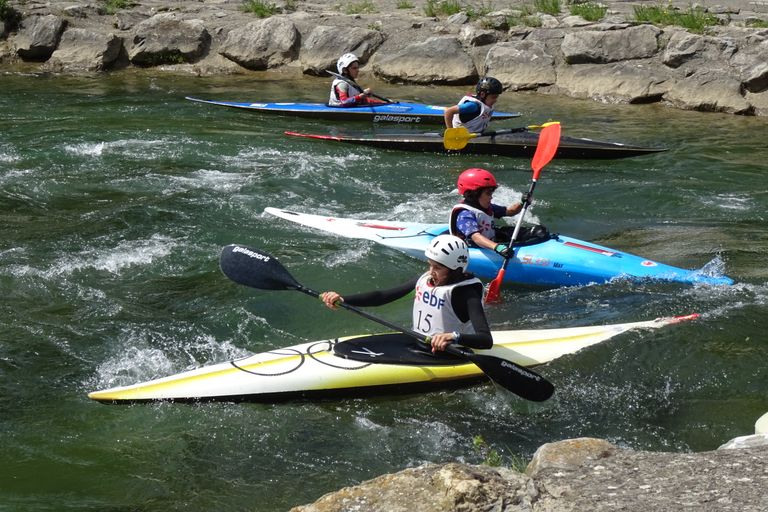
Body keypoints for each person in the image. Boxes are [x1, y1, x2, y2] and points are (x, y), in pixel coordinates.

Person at [320, 234, 492, 353]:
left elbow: (485, 340)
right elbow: (383, 296)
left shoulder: (466, 293)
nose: (431, 271)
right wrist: (343, 299)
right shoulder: (426, 279)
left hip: (450, 351)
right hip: (419, 342)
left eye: (438, 267)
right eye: (430, 264)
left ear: (456, 270)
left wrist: (453, 337)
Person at [449, 168, 546, 258]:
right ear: (473, 194)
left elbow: (510, 212)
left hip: (491, 241)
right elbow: (476, 238)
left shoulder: (487, 207)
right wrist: (498, 247)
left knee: (533, 232)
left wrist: (523, 202)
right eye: (488, 194)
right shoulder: (464, 214)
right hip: (474, 247)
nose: (491, 197)